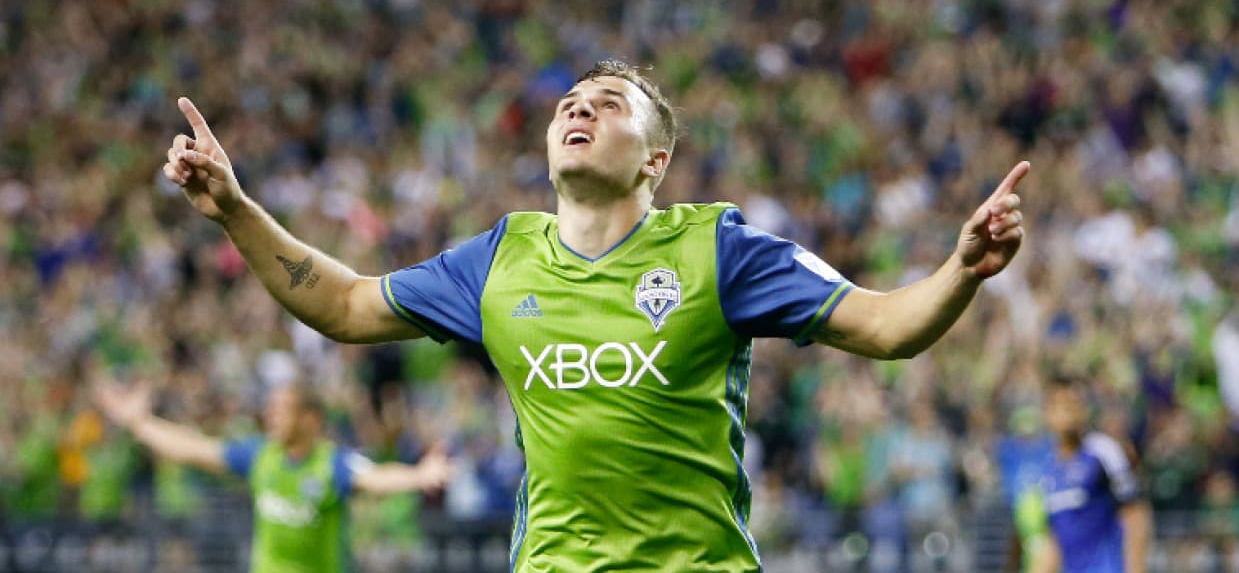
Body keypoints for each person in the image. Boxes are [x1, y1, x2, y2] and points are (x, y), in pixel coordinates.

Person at [161, 59, 1029, 571]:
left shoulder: (717, 249)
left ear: (655, 160)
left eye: (608, 104)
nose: (579, 109)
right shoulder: (499, 258)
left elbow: (884, 327)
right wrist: (236, 209)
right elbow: (346, 305)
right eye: (569, 103)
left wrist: (959, 271)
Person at [93, 379, 452, 573]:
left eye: (282, 409)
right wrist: (138, 423)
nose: (272, 416)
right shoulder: (260, 456)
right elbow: (192, 449)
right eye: (271, 409)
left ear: (310, 419)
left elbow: (375, 477)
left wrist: (419, 475)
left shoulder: (330, 464)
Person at [1031, 375, 1153, 573]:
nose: (1068, 410)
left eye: (1073, 403)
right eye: (1060, 404)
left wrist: (1136, 568)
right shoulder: (1047, 470)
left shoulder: (1103, 451)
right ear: (1047, 413)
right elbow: (1054, 539)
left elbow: (1135, 514)